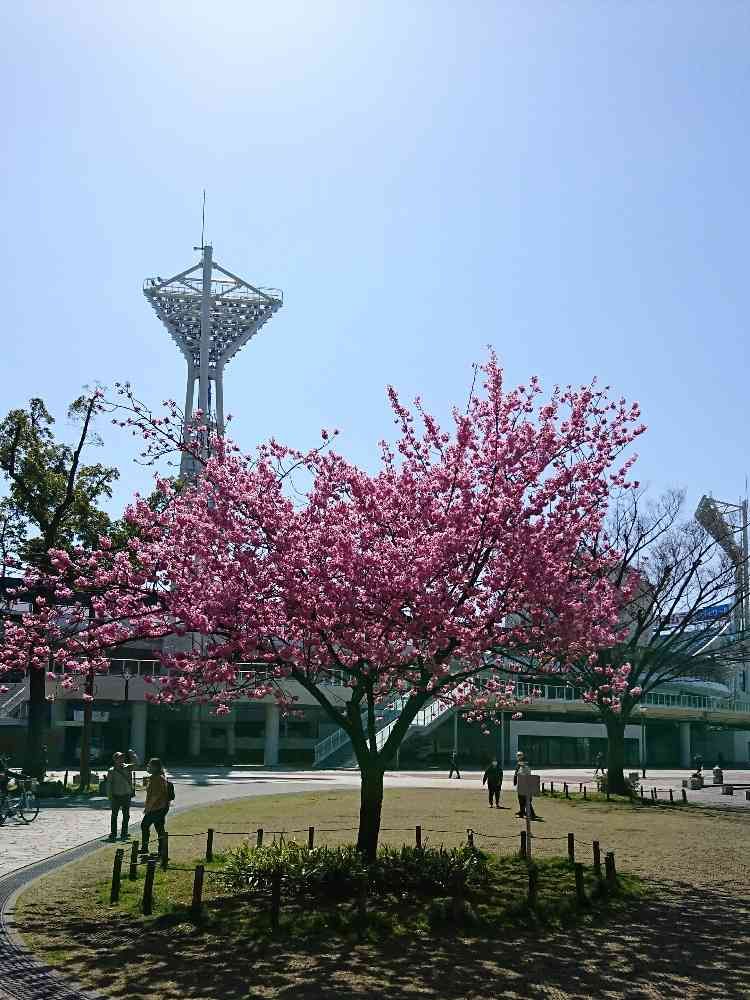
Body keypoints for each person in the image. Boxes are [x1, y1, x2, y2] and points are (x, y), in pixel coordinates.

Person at [106, 749, 138, 842]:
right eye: (119, 758)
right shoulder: (111, 770)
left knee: (126, 815)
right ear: (115, 760)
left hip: (126, 795)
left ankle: (124, 832)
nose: (121, 759)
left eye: (122, 758)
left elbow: (137, 764)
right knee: (114, 816)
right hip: (116, 795)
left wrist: (133, 754)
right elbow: (109, 784)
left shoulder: (127, 767)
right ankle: (113, 833)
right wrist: (110, 797)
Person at [140, 757, 171, 855]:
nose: (148, 767)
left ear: (156, 767)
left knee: (145, 825)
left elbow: (155, 795)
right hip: (162, 807)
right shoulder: (158, 777)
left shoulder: (157, 778)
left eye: (150, 765)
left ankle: (146, 848)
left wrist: (148, 808)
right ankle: (161, 850)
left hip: (157, 807)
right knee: (159, 827)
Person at [513, 751, 537, 820]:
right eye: (517, 755)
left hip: (525, 785)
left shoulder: (526, 766)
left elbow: (526, 776)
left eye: (520, 755)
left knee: (526, 800)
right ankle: (522, 812)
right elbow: (517, 773)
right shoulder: (519, 766)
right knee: (521, 800)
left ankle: (531, 814)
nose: (518, 756)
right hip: (520, 785)